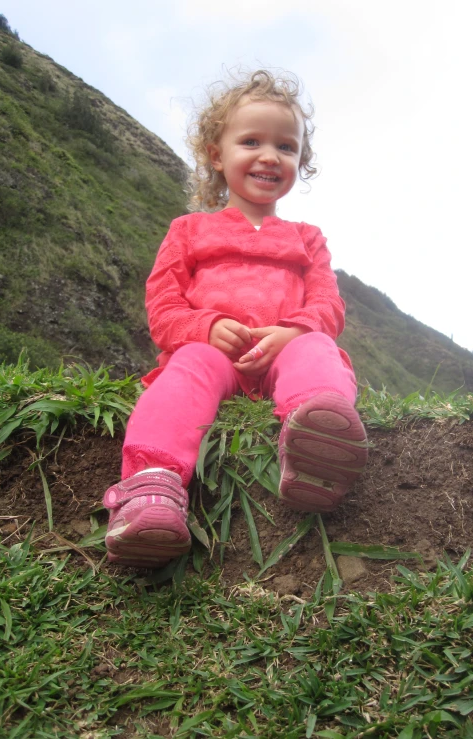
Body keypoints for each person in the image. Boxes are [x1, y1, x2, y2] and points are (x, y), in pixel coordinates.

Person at [103, 69, 368, 567]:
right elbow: (163, 307)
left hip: (283, 355)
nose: (270, 155)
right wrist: (203, 328)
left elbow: (328, 306)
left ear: (300, 162)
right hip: (212, 354)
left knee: (318, 349)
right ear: (216, 154)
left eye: (286, 147)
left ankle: (315, 439)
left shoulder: (307, 238)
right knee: (186, 372)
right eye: (251, 141)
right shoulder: (188, 230)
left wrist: (294, 331)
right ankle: (150, 490)